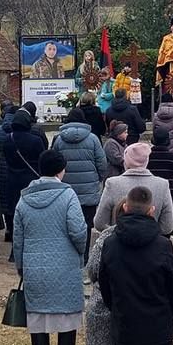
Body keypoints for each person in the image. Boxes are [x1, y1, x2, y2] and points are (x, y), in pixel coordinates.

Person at [12, 149, 87, 345]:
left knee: (38, 317)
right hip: (64, 264)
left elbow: (18, 236)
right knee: (66, 315)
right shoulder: (68, 196)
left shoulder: (24, 198)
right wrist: (80, 252)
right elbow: (78, 230)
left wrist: (21, 265)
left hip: (34, 264)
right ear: (61, 169)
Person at [99, 185, 173, 345]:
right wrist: (167, 312)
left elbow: (105, 285)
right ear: (151, 210)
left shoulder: (110, 244)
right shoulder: (162, 245)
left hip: (126, 323)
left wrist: (117, 309)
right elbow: (172, 287)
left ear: (126, 207)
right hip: (158, 325)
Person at [54, 108, 107, 257]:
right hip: (88, 190)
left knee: (66, 223)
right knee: (86, 225)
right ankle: (83, 256)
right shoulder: (93, 139)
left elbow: (54, 162)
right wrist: (99, 178)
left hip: (65, 190)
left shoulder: (59, 140)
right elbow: (102, 163)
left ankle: (68, 255)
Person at [95, 143, 173, 236]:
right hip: (151, 245)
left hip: (119, 244)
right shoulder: (162, 185)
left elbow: (100, 223)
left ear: (126, 161)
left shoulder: (112, 184)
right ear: (146, 161)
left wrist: (117, 234)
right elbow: (167, 227)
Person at [86, 199, 125, 345]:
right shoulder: (157, 240)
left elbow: (93, 271)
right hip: (139, 311)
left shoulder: (104, 239)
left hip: (105, 305)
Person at [1, 108, 47, 232]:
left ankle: (13, 231)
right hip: (30, 177)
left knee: (14, 207)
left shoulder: (7, 139)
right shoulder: (35, 140)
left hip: (12, 177)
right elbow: (42, 158)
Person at [147, 127, 173, 236]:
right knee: (167, 224)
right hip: (169, 194)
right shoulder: (172, 157)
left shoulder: (148, 157)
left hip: (151, 194)